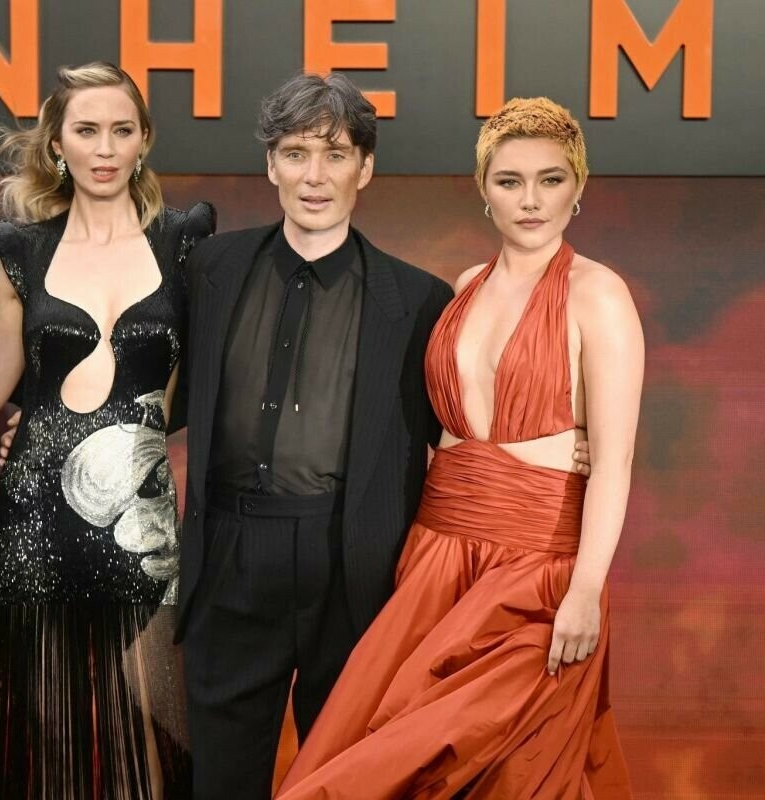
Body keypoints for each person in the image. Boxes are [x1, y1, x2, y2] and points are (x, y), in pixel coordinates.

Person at [276, 97, 640, 798]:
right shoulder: (466, 287)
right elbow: (440, 431)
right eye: (509, 181)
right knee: (380, 756)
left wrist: (586, 591)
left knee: (506, 766)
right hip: (434, 562)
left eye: (551, 179)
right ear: (483, 191)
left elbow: (614, 464)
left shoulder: (600, 295)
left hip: (535, 576)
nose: (530, 200)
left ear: (578, 188)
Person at [172, 72, 453, 800]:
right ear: (271, 165)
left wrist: (548, 453)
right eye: (296, 154)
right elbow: (154, 385)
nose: (315, 176)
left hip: (353, 566)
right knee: (218, 781)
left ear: (366, 167)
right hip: (229, 554)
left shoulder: (419, 299)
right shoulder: (210, 269)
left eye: (335, 154)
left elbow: (458, 440)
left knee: (343, 782)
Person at [0, 62, 214, 798]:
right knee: (47, 738)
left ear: (144, 141)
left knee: (156, 731)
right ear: (57, 145)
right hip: (34, 520)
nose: (104, 148)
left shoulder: (185, 240)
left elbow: (203, 380)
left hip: (142, 525)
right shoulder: (19, 248)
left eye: (121, 130)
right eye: (86, 131)